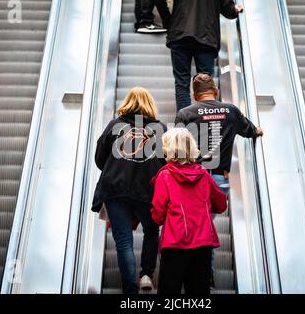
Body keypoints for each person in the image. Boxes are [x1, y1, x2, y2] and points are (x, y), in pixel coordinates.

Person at [175, 73, 263, 287]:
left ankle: (189, 273)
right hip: (217, 181)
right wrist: (258, 131)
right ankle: (205, 274)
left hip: (190, 179)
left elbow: (175, 147)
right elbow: (251, 130)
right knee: (205, 227)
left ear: (195, 95)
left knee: (188, 225)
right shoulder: (230, 110)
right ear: (214, 90)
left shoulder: (185, 113)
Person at [92, 87, 167, 294]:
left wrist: (116, 168)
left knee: (123, 240)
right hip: (148, 190)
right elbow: (166, 161)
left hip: (115, 189)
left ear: (128, 102)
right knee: (151, 231)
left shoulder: (115, 125)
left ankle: (130, 291)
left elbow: (100, 158)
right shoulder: (159, 128)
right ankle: (146, 275)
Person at [151, 128, 227, 295]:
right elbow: (221, 205)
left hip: (175, 242)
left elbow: (158, 214)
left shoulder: (164, 176)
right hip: (203, 242)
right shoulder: (204, 175)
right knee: (199, 291)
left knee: (169, 291)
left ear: (167, 148)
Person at [157, 0, 244, 111]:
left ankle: (185, 122)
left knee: (182, 83)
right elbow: (228, 9)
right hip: (206, 37)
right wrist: (235, 10)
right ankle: (205, 119)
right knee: (205, 84)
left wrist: (168, 21)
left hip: (180, 34)